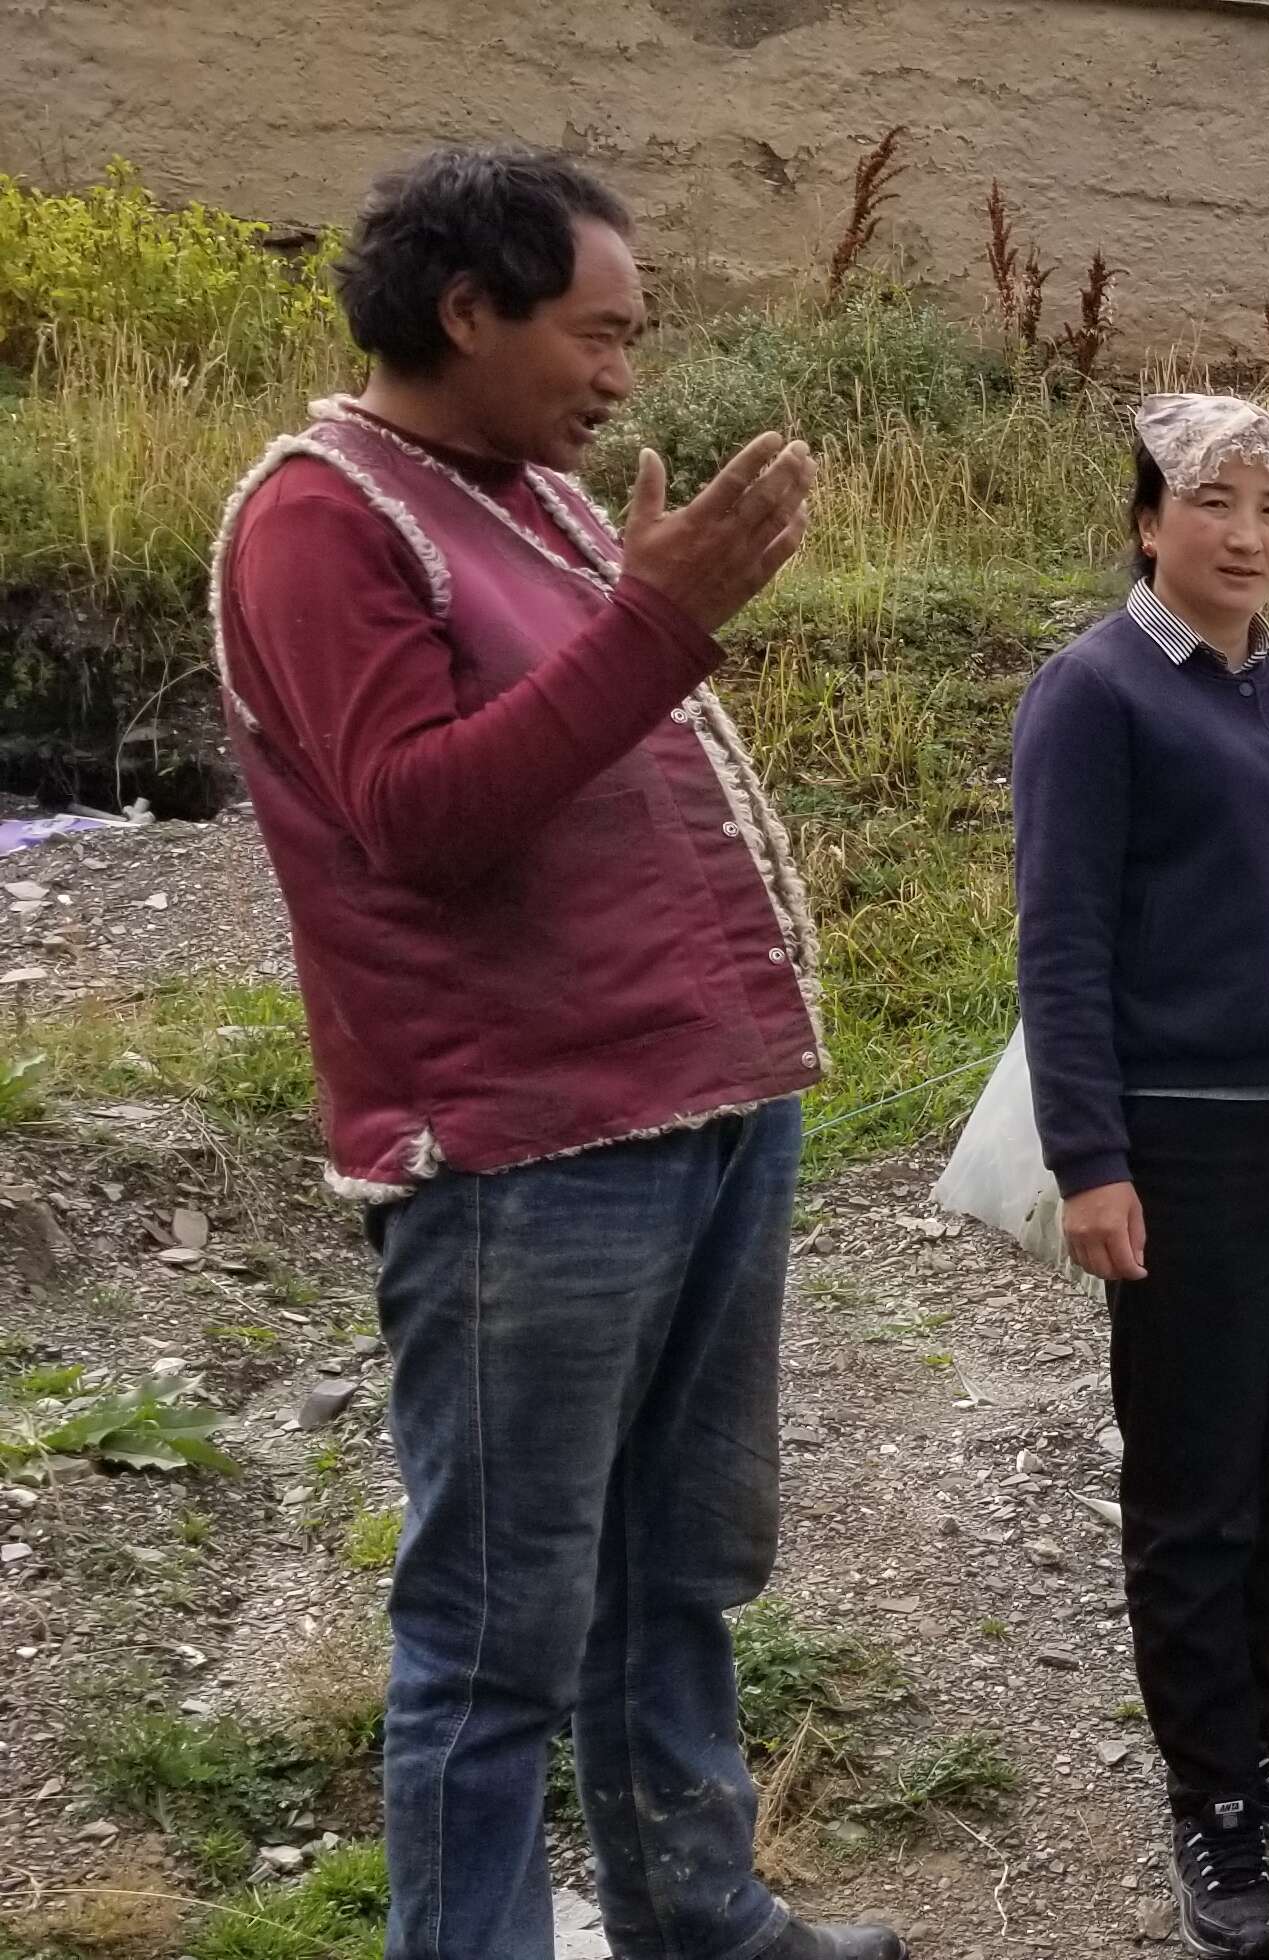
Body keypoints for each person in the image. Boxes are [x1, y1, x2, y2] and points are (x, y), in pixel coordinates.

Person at [207, 147, 897, 1960]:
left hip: (703, 1110)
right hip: (530, 1152)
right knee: (500, 1631)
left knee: (677, 1566)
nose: (621, 374)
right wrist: (663, 620)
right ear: (466, 311)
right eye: (597, 333)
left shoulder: (536, 501)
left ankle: (696, 1916)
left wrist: (649, 610)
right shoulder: (321, 519)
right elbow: (421, 819)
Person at [1011, 394, 1269, 1960]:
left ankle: (1260, 1735)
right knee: (1193, 1489)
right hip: (1189, 1142)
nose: (1248, 536)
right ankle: (1208, 1796)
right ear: (1148, 523)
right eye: (1214, 502)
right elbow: (1062, 943)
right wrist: (1090, 1158)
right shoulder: (1097, 696)